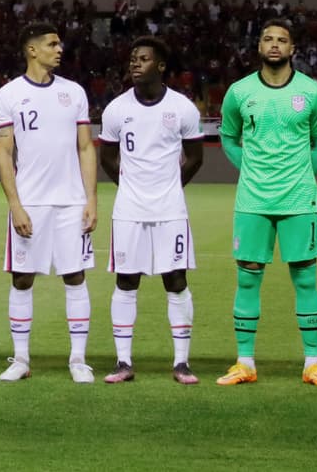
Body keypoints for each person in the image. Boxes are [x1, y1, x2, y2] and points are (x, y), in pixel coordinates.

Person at [217, 19, 317, 388]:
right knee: (248, 276)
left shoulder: (312, 92)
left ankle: (312, 363)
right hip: (253, 200)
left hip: (300, 200)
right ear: (258, 47)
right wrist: (253, 171)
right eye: (267, 39)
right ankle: (245, 362)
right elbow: (229, 137)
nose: (274, 45)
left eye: (282, 40)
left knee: (305, 276)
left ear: (292, 48)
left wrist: (300, 174)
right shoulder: (239, 92)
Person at [0, 22, 98, 383]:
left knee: (75, 275)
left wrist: (91, 199)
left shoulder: (75, 93)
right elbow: (4, 154)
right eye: (52, 44)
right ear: (32, 50)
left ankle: (78, 359)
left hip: (70, 202)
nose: (59, 49)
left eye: (60, 44)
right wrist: (15, 205)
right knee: (22, 278)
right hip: (31, 202)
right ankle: (20, 359)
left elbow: (86, 147)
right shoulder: (7, 95)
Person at [98, 36, 205, 384]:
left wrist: (169, 188)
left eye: (143, 59)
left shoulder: (183, 108)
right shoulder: (116, 109)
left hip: (171, 210)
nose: (135, 63)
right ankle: (123, 362)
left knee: (176, 281)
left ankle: (181, 363)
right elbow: (108, 158)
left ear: (160, 66)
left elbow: (196, 157)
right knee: (126, 281)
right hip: (128, 210)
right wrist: (132, 187)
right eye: (132, 58)